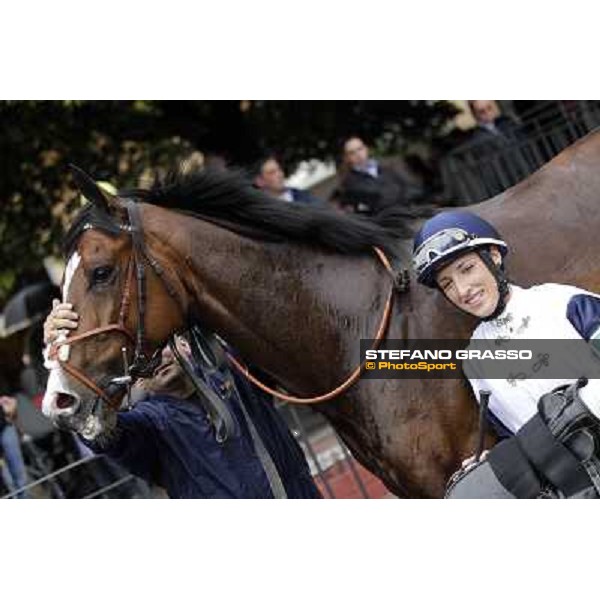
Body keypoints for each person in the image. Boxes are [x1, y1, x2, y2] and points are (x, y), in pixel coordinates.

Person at [44, 302, 321, 499]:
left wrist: (368, 358)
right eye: (144, 360)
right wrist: (63, 354)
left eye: (160, 347)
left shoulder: (237, 375)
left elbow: (295, 332)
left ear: (184, 345)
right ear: (137, 379)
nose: (157, 359)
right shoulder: (149, 428)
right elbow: (94, 428)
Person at [412, 211, 600, 498]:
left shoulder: (561, 302)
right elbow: (515, 436)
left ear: (494, 256)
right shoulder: (474, 362)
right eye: (447, 283)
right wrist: (495, 461)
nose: (462, 290)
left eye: (466, 269)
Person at [335, 136, 420, 216]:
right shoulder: (349, 184)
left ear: (366, 148)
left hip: (409, 213)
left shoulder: (388, 168)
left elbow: (411, 188)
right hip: (385, 223)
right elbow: (366, 207)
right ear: (347, 158)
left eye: (359, 149)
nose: (358, 154)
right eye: (352, 153)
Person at [253, 156, 320, 204]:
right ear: (260, 181)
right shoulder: (259, 212)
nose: (280, 175)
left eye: (279, 169)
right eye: (272, 172)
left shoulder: (306, 197)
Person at [0, 393, 29, 498]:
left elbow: (9, 397)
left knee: (19, 475)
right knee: (6, 479)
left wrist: (10, 406)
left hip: (5, 428)